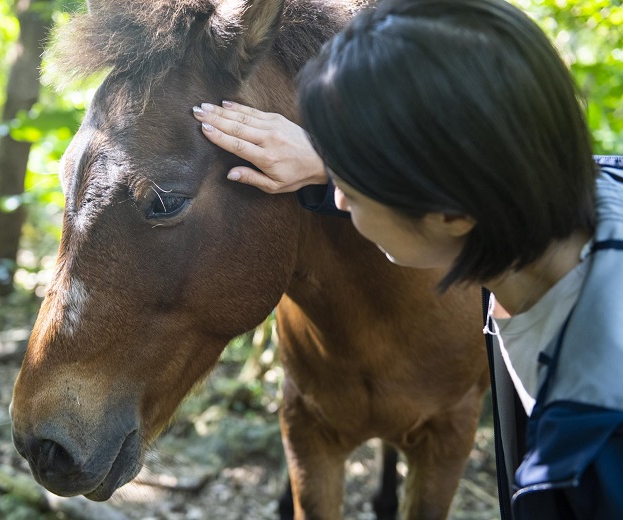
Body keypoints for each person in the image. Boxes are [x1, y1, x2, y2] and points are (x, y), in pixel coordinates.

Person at [191, 0, 623, 518]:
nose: (338, 195)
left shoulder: (588, 458)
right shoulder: (572, 199)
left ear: (454, 207)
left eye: (353, 172)